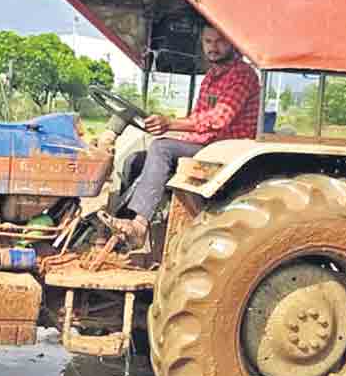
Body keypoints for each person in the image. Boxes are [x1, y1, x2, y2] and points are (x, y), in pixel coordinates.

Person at [103, 24, 261, 245]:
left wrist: (170, 124)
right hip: (208, 144)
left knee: (161, 148)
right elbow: (198, 119)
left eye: (220, 41)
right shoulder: (211, 77)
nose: (213, 47)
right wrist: (168, 129)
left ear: (233, 43)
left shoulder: (243, 75)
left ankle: (139, 225)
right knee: (136, 159)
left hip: (227, 150)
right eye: (208, 42)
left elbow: (218, 119)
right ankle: (122, 230)